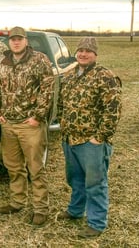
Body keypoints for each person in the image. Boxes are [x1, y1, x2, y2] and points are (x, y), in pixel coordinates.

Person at [57, 37, 122, 238]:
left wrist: (99, 137)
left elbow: (113, 110)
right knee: (75, 179)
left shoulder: (105, 76)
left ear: (95, 54)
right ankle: (76, 211)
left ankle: (97, 222)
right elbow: (61, 105)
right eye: (80, 50)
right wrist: (63, 126)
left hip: (91, 142)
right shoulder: (69, 76)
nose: (83, 54)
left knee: (95, 183)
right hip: (70, 139)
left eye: (88, 51)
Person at [0, 26, 54, 226]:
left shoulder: (39, 60)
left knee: (36, 168)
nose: (16, 42)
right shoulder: (3, 61)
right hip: (8, 124)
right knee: (13, 167)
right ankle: (17, 202)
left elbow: (47, 88)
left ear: (26, 41)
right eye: (13, 39)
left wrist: (37, 116)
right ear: (8, 42)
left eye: (19, 39)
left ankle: (40, 209)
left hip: (30, 125)